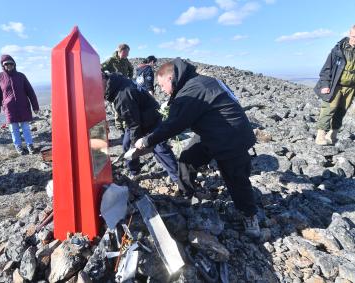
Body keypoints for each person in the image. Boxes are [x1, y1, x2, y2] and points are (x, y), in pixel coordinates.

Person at [135, 58, 260, 238]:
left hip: (233, 136)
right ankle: (186, 194)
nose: (162, 90)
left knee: (235, 177)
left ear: (170, 79)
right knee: (188, 157)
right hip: (211, 131)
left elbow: (174, 125)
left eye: (162, 86)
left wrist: (147, 141)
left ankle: (249, 215)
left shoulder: (193, 89)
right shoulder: (202, 81)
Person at [103, 72, 178, 182]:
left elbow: (134, 124)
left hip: (151, 119)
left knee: (159, 148)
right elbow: (132, 120)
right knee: (126, 144)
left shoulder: (122, 95)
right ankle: (135, 172)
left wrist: (136, 146)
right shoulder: (116, 83)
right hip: (136, 117)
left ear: (103, 78)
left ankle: (179, 179)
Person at [314, 25, 355, 145]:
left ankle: (333, 135)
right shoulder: (338, 50)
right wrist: (325, 84)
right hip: (335, 85)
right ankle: (320, 136)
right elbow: (327, 69)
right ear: (349, 34)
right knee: (328, 109)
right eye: (353, 36)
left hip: (351, 88)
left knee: (341, 111)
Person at [0, 55, 40, 155]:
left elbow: (30, 92)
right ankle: (18, 147)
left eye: (11, 63)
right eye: (6, 64)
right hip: (9, 108)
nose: (9, 65)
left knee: (25, 127)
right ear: (2, 65)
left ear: (14, 64)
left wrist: (35, 106)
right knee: (14, 128)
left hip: (23, 106)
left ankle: (29, 145)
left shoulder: (21, 76)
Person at [102, 44, 134, 132]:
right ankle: (119, 127)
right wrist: (107, 78)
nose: (127, 54)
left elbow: (131, 69)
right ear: (121, 51)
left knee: (125, 103)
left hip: (124, 85)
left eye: (128, 53)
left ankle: (124, 123)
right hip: (114, 87)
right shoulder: (111, 60)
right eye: (126, 52)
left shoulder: (126, 60)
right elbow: (101, 68)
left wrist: (129, 78)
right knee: (117, 105)